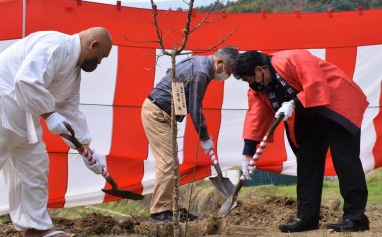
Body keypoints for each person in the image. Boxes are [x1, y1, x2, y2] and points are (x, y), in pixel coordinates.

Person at [0, 27, 112, 237]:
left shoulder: (74, 73)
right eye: (102, 56)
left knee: (34, 167)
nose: (100, 62)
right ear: (93, 46)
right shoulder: (54, 44)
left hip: (24, 114)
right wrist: (49, 115)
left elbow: (70, 111)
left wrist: (85, 149)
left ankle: (35, 228)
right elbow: (26, 81)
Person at [233, 50, 370, 233]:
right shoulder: (258, 89)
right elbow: (255, 116)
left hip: (337, 104)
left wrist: (293, 103)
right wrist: (247, 152)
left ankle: (356, 218)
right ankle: (307, 217)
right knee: (307, 160)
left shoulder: (294, 59)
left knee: (344, 159)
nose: (250, 85)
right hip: (310, 116)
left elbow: (316, 84)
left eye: (249, 79)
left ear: (260, 69)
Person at [141, 47, 240, 222]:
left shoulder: (197, 62)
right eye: (228, 71)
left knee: (171, 162)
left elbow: (170, 72)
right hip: (157, 113)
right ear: (220, 62)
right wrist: (204, 137)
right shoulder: (202, 72)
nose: (227, 76)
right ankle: (159, 212)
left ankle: (170, 208)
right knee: (168, 162)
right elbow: (195, 107)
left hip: (164, 113)